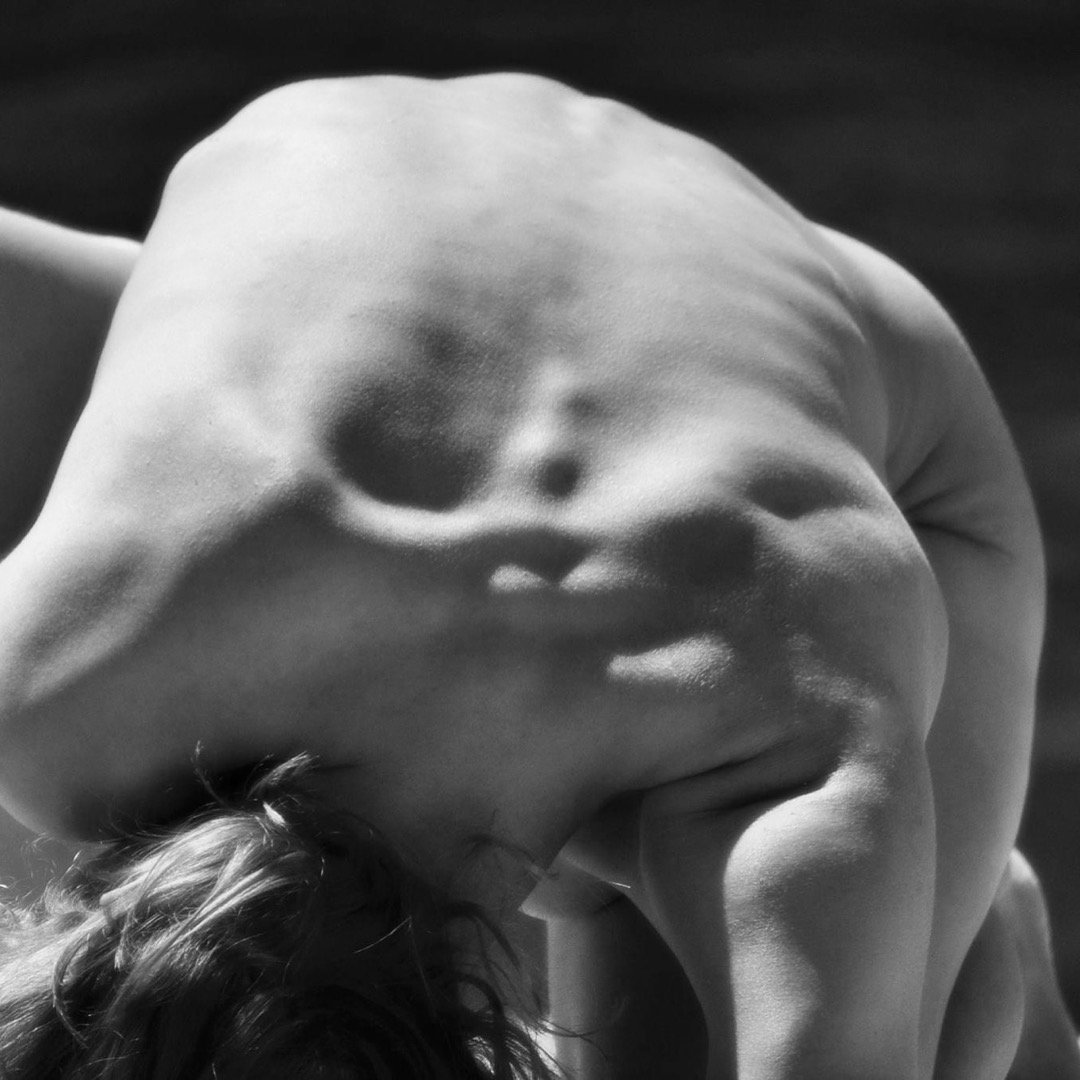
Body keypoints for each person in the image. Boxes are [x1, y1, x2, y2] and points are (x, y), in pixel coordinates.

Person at [0, 72, 1073, 1079]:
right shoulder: (57, 701)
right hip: (345, 192)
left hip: (875, 427)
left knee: (913, 1021)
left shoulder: (781, 755)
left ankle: (997, 938)